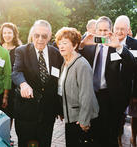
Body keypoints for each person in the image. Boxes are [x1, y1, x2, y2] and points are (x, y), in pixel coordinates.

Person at [80, 16, 135, 147]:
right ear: (96, 31)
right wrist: (81, 45)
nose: (103, 33)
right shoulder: (89, 46)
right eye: (100, 30)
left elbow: (132, 64)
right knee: (92, 136)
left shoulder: (116, 47)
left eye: (106, 30)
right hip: (91, 97)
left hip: (110, 100)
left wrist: (120, 48)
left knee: (109, 138)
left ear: (111, 31)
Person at [12, 20, 63, 147]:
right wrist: (23, 84)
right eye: (37, 35)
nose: (40, 39)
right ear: (32, 35)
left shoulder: (56, 53)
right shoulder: (21, 51)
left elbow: (58, 81)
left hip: (48, 112)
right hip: (27, 112)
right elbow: (16, 72)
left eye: (44, 36)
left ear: (50, 36)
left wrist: (60, 108)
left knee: (45, 143)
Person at [55, 27, 99, 147]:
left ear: (74, 45)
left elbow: (86, 94)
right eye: (59, 43)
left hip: (80, 119)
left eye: (65, 43)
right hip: (71, 117)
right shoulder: (65, 63)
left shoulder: (82, 65)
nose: (61, 46)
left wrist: (84, 120)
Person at [114, 15, 137, 147]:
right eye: (117, 28)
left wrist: (135, 94)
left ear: (128, 29)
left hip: (130, 89)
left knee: (132, 116)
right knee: (119, 119)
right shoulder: (108, 42)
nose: (119, 32)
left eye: (123, 29)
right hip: (113, 89)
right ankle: (118, 139)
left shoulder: (135, 44)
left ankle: (133, 138)